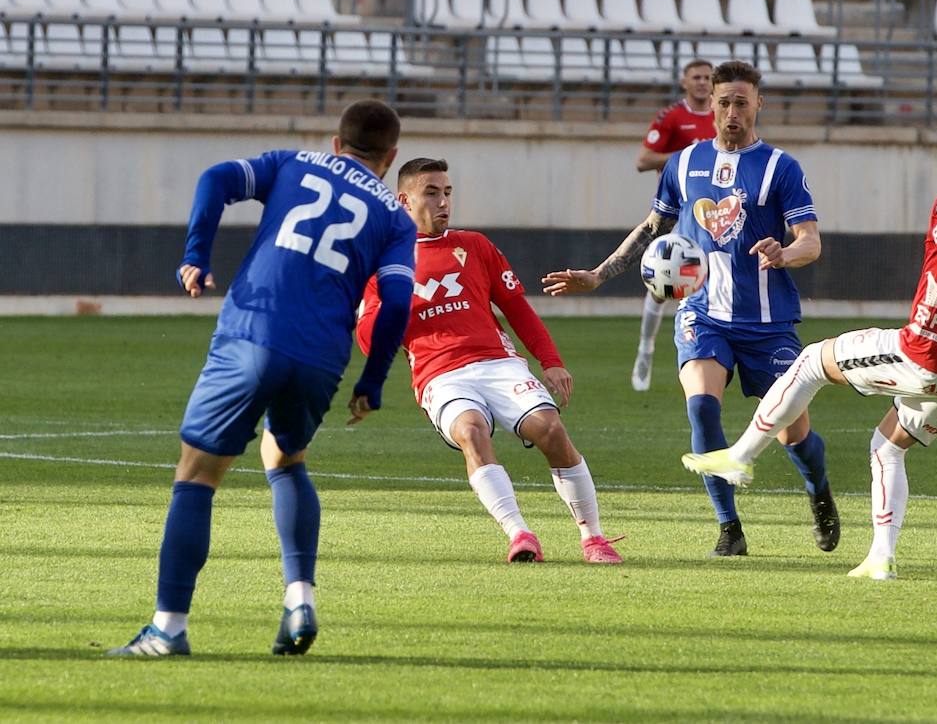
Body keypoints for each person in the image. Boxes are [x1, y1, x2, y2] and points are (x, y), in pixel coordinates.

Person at [683, 112, 937, 580]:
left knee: (812, 360)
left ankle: (741, 457)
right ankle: (881, 558)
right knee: (886, 448)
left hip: (925, 352)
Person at [109, 100, 416, 657]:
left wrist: (195, 256)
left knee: (197, 475)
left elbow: (216, 178)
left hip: (253, 329)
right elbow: (396, 303)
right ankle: (300, 597)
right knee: (285, 458)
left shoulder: (293, 162)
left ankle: (168, 628)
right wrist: (372, 381)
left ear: (336, 142)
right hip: (323, 355)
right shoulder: (396, 219)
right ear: (391, 157)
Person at [543, 59, 838, 559]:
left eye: (741, 103)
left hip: (768, 324)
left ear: (758, 105)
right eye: (723, 103)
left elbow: (810, 241)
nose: (731, 113)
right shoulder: (683, 162)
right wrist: (599, 273)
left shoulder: (780, 168)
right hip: (703, 314)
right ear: (712, 106)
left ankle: (820, 493)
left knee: (794, 432)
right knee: (702, 407)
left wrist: (783, 254)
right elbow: (652, 227)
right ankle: (729, 528)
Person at [357, 157, 622, 564]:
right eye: (432, 193)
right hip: (439, 375)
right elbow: (368, 341)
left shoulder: (475, 246)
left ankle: (594, 539)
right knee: (471, 431)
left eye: (447, 192)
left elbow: (518, 309)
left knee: (550, 429)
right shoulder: (381, 263)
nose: (443, 201)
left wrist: (550, 360)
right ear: (404, 200)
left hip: (498, 363)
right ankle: (520, 534)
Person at [631, 58, 716, 392]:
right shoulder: (672, 117)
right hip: (677, 212)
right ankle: (645, 348)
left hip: (713, 215)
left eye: (707, 77)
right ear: (684, 82)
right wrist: (686, 155)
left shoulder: (721, 116)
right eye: (696, 77)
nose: (701, 82)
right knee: (661, 283)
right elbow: (643, 160)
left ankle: (708, 355)